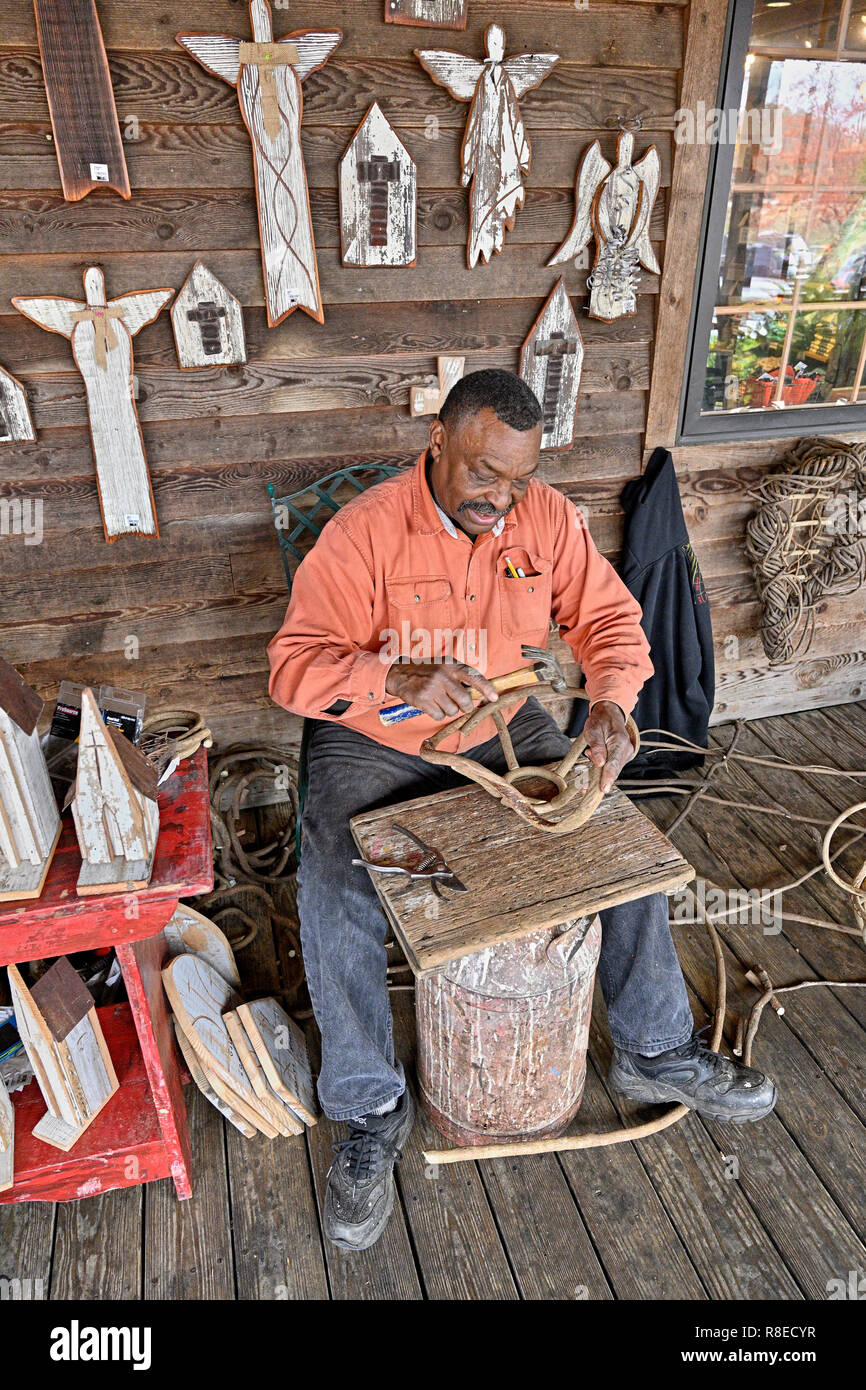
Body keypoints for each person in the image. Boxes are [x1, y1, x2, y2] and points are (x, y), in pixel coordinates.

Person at [268, 369, 777, 1252]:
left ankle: (656, 1046)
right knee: (333, 876)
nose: (500, 500)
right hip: (377, 735)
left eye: (518, 479)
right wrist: (392, 675)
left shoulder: (545, 519)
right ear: (438, 442)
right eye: (482, 475)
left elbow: (613, 623)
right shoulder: (366, 532)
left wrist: (614, 703)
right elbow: (293, 667)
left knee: (610, 833)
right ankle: (368, 1108)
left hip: (503, 717)